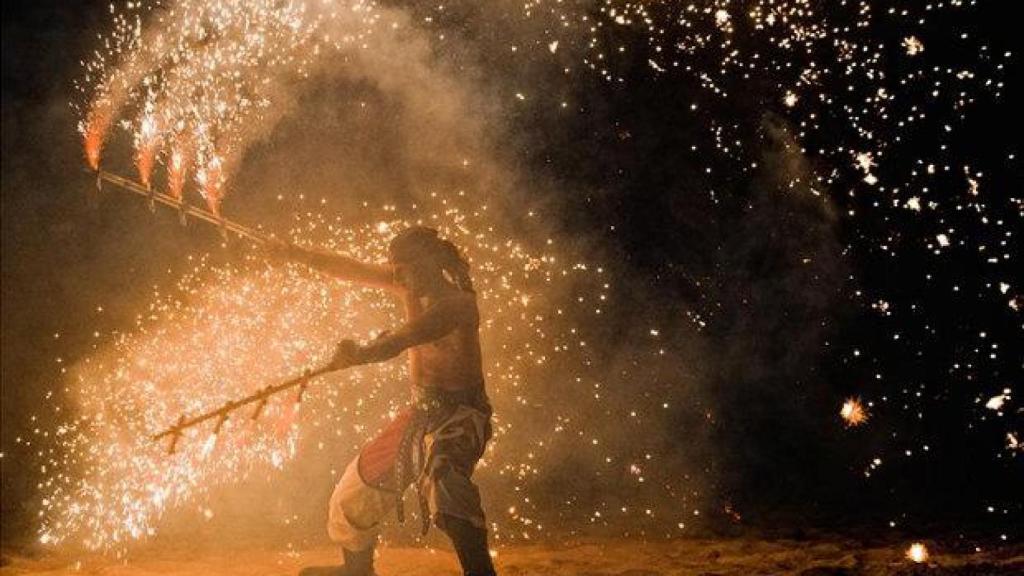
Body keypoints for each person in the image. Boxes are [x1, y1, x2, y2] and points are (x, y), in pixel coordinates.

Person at [266, 227, 497, 576]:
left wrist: (361, 353)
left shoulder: (457, 305)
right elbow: (349, 268)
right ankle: (357, 572)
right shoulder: (409, 283)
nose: (401, 276)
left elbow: (406, 337)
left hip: (462, 416)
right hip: (421, 414)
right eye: (398, 269)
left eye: (408, 268)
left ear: (433, 264)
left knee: (444, 479)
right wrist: (294, 253)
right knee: (353, 495)